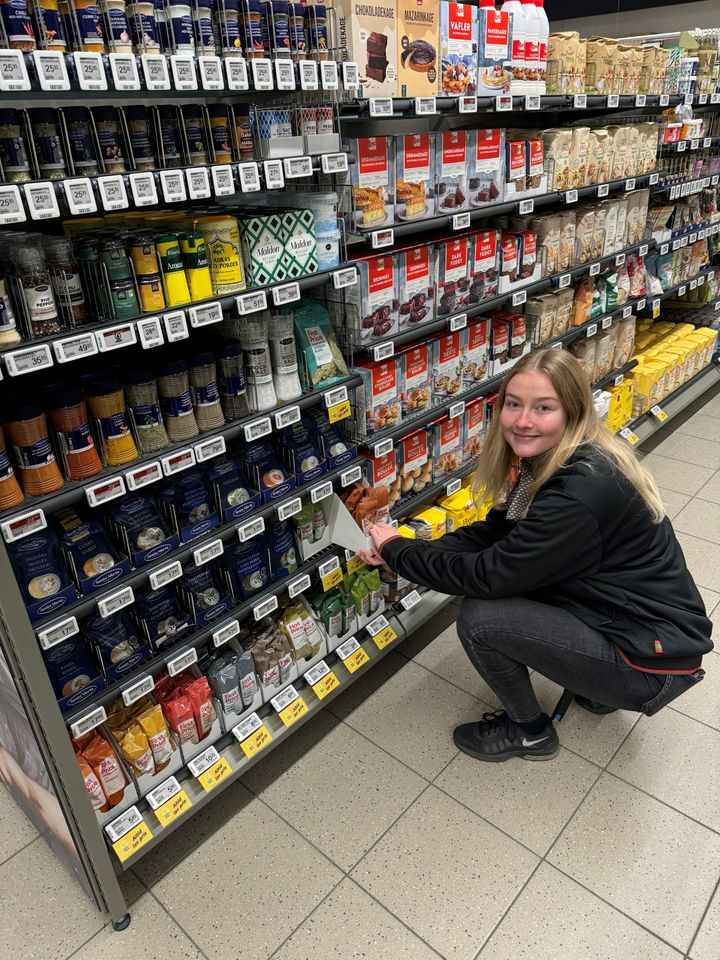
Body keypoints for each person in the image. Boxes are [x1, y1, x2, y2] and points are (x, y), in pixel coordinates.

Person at [359, 348, 712, 763]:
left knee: (481, 619)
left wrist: (398, 552)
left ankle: (529, 733)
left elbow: (486, 576)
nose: (522, 420)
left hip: (651, 663)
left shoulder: (578, 494)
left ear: (573, 412)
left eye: (543, 407)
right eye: (513, 404)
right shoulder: (558, 459)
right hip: (642, 623)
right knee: (523, 583)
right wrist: (407, 547)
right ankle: (597, 690)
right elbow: (497, 532)